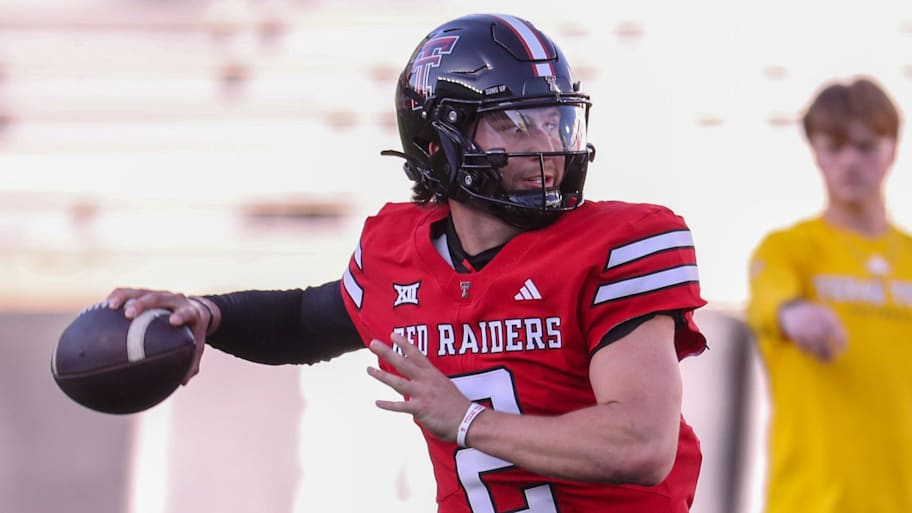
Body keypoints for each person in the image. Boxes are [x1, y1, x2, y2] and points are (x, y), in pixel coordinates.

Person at [107, 13, 708, 512]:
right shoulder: (398, 250)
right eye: (516, 124)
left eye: (555, 120)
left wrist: (468, 422)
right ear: (435, 139)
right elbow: (305, 322)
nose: (546, 145)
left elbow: (640, 443)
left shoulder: (621, 243)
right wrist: (208, 314)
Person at [747, 76, 912, 513]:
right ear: (816, 154)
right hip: (810, 500)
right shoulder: (788, 250)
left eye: (865, 146)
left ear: (892, 149)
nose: (850, 162)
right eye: (834, 148)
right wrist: (795, 314)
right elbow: (768, 301)